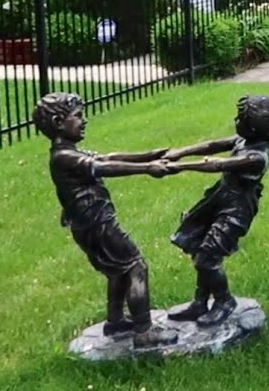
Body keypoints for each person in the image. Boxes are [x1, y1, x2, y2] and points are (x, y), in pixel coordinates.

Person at [35, 92, 179, 348]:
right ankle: (144, 331)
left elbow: (106, 158)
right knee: (136, 265)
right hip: (97, 223)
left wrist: (148, 155)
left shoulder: (67, 153)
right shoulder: (64, 157)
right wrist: (147, 169)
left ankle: (114, 321)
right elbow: (103, 168)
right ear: (59, 122)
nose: (84, 121)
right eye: (78, 116)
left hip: (90, 224)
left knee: (117, 271)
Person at [163, 94, 269, 326]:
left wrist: (178, 166)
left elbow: (217, 164)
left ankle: (224, 301)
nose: (235, 120)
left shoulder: (256, 156)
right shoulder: (245, 140)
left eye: (240, 118)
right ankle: (200, 302)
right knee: (200, 249)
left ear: (252, 127)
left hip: (236, 210)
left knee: (207, 257)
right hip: (219, 200)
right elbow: (213, 145)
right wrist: (180, 151)